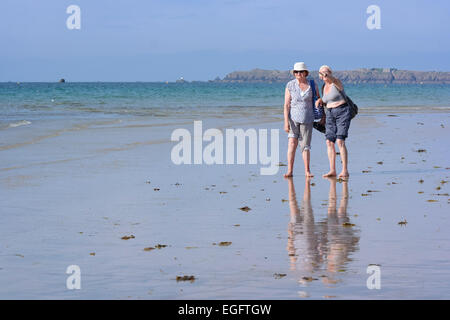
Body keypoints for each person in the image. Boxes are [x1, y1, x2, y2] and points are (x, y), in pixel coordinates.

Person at [283, 62, 320, 178]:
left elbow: (318, 99)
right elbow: (286, 105)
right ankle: (290, 171)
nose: (298, 74)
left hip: (308, 119)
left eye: (301, 72)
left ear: (305, 73)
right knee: (292, 144)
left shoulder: (312, 84)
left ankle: (307, 171)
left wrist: (322, 112)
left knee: (305, 146)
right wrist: (285, 122)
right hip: (293, 120)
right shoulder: (290, 85)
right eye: (296, 72)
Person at [315, 65, 351, 179]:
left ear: (330, 73)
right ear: (319, 76)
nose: (324, 75)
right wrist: (320, 100)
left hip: (342, 111)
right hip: (330, 113)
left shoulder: (336, 83)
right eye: (321, 73)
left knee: (340, 141)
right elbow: (326, 101)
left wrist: (330, 77)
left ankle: (344, 170)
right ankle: (332, 170)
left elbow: (335, 81)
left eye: (326, 72)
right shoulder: (323, 87)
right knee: (329, 142)